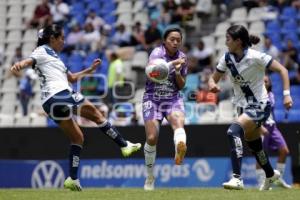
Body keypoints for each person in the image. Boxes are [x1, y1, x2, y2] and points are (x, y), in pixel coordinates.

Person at [10, 24, 141, 192]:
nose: (64, 41)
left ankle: (72, 178)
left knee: (78, 138)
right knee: (97, 115)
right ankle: (124, 145)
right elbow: (31, 60)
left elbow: (71, 78)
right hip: (60, 94)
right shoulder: (41, 50)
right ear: (52, 39)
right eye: (61, 38)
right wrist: (20, 64)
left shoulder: (55, 58)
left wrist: (90, 70)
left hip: (50, 102)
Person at [208, 25, 293, 190]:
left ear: (238, 41)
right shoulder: (226, 59)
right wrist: (212, 85)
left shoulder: (257, 57)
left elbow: (283, 70)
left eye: (228, 39)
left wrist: (287, 94)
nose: (225, 43)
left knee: (233, 132)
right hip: (242, 108)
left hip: (260, 105)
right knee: (255, 146)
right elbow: (213, 79)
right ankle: (270, 174)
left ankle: (237, 178)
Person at [143, 26, 187, 191]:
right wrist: (173, 64)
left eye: (178, 40)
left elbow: (182, 86)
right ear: (164, 41)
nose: (175, 42)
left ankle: (179, 149)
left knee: (178, 123)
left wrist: (177, 73)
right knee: (152, 138)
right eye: (172, 39)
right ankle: (150, 177)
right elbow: (152, 72)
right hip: (152, 99)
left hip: (172, 99)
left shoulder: (183, 57)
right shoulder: (156, 53)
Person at [256, 75, 291, 189]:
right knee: (261, 155)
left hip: (272, 127)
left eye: (266, 81)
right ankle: (262, 182)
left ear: (269, 84)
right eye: (262, 82)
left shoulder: (271, 95)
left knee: (284, 150)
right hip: (261, 127)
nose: (264, 83)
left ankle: (278, 178)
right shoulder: (254, 96)